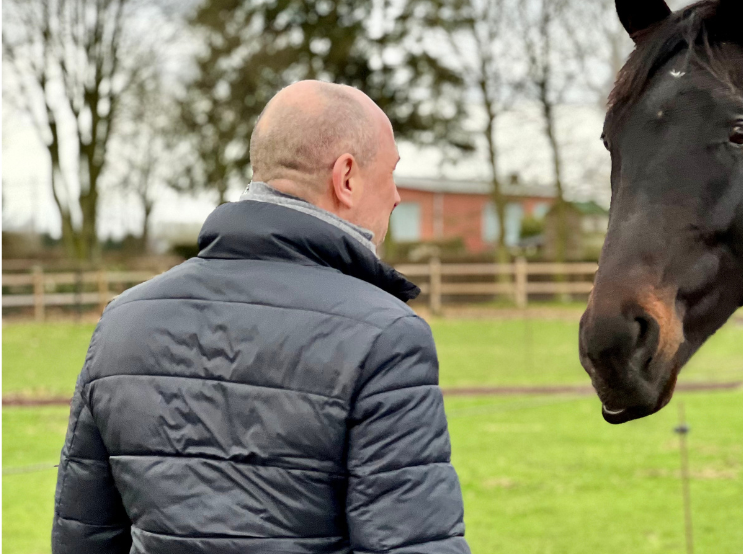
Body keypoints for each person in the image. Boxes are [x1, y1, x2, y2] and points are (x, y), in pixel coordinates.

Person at [51, 80, 470, 554]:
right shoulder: (387, 336)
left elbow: (81, 536)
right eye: (390, 173)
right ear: (347, 177)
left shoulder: (123, 321)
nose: (395, 196)